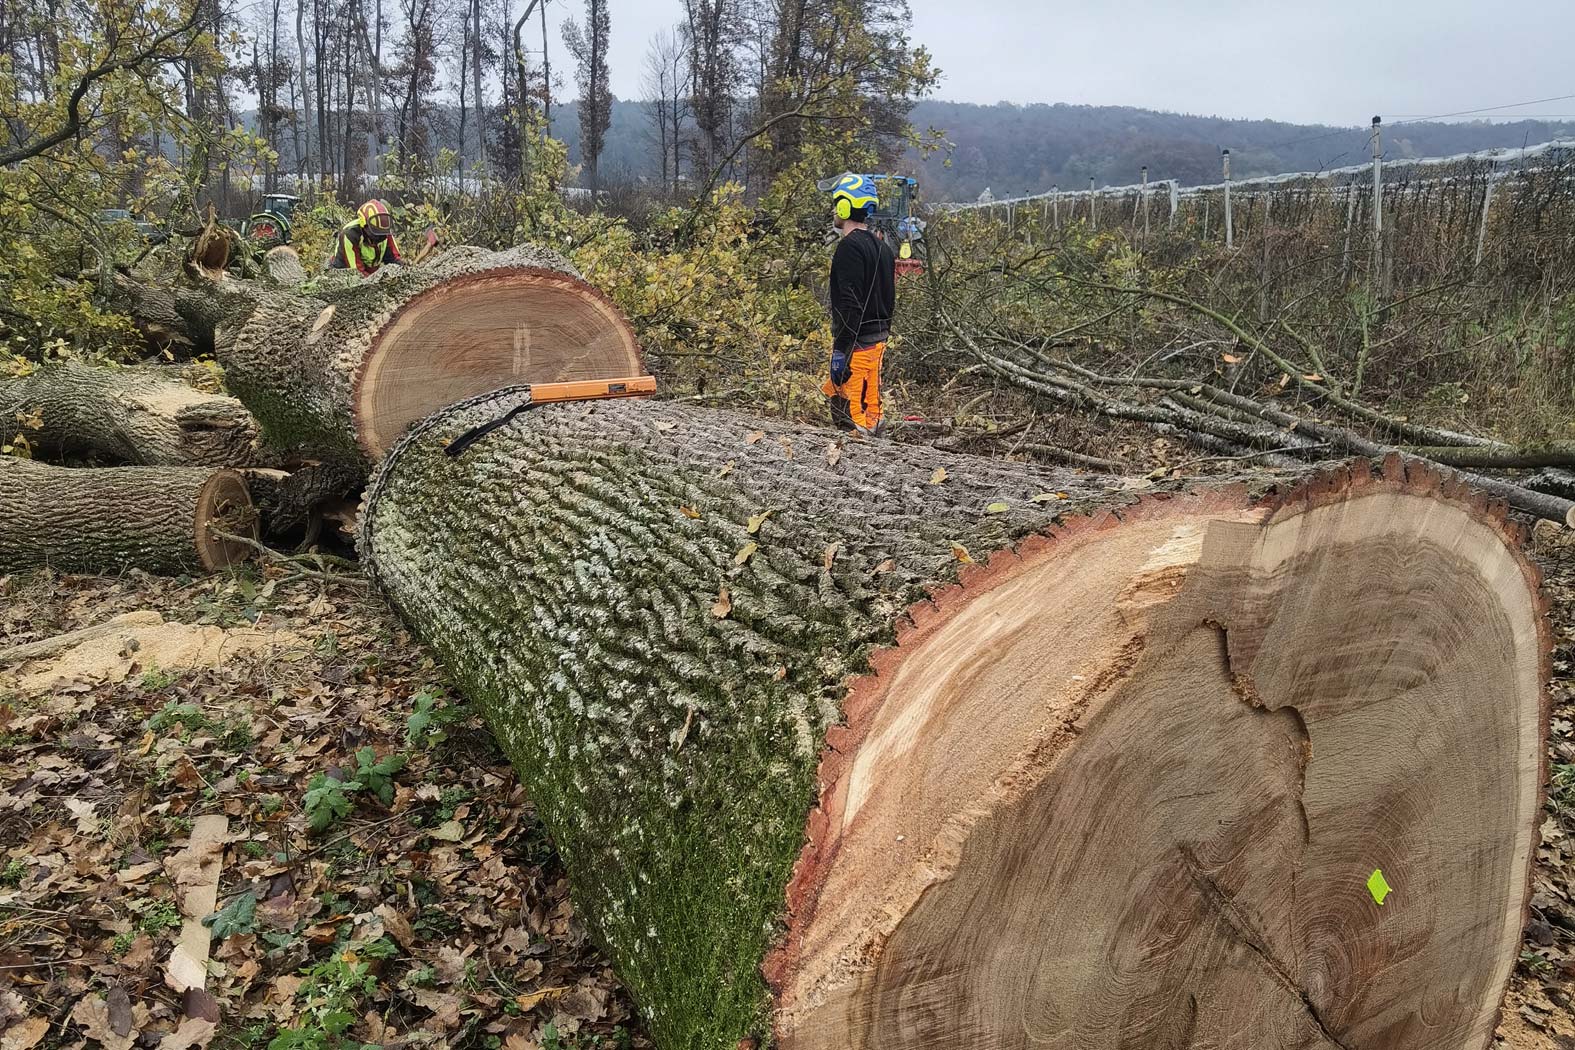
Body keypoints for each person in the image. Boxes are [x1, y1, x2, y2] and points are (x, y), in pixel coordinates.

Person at [821, 173, 896, 435]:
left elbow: (849, 306)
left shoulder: (848, 249)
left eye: (836, 203)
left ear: (845, 206)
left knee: (851, 419)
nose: (833, 209)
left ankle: (856, 470)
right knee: (871, 409)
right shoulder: (883, 249)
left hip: (857, 343)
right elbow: (890, 300)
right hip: (877, 342)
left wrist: (841, 350)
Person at [329, 199, 404, 276]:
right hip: (343, 273)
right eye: (376, 232)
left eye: (382, 233)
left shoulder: (385, 232)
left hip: (370, 272)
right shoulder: (350, 234)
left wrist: (403, 272)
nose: (380, 237)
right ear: (364, 225)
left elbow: (394, 259)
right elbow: (356, 272)